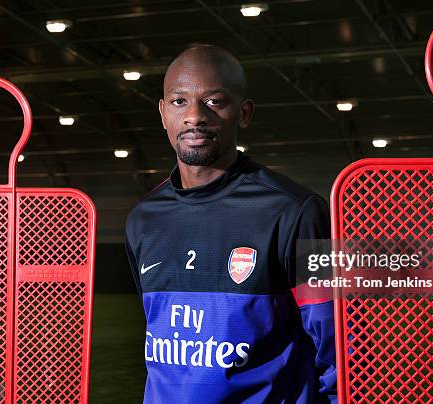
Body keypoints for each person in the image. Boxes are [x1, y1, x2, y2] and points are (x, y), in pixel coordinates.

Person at [125, 44, 336, 403]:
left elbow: (337, 350)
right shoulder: (143, 219)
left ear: (244, 112)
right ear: (162, 113)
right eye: (179, 101)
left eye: (214, 101)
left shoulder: (295, 211)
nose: (194, 116)